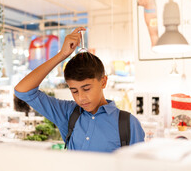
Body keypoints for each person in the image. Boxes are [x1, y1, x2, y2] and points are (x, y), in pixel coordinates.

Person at [14, 27, 145, 152]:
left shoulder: (128, 123)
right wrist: (62, 54)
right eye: (74, 91)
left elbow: (140, 169)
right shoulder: (68, 114)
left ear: (103, 82)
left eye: (86, 88)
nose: (81, 98)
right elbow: (23, 90)